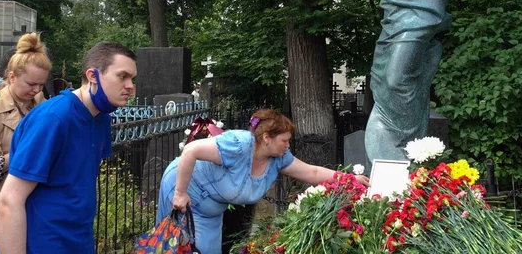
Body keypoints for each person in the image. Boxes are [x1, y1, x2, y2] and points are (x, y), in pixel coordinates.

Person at [157, 108, 370, 254]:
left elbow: (312, 173)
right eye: (284, 140)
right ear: (267, 137)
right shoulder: (239, 145)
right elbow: (191, 150)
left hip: (211, 207)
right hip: (185, 191)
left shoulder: (278, 159)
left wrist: (351, 179)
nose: (288, 145)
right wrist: (180, 193)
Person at [0, 42, 137, 254]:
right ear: (92, 76)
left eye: (132, 78)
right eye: (122, 76)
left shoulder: (101, 118)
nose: (130, 85)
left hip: (79, 242)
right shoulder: (53, 119)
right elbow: (9, 201)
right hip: (41, 244)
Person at [363, 0, 451, 163]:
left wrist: (426, 21)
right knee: (380, 81)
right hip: (393, 25)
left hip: (418, 21)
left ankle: (407, 140)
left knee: (396, 79)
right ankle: (399, 145)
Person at [0, 33, 51, 225]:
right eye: (31, 84)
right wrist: (31, 149)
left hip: (38, 201)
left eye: (41, 84)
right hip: (3, 206)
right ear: (12, 77)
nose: (37, 90)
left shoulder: (39, 102)